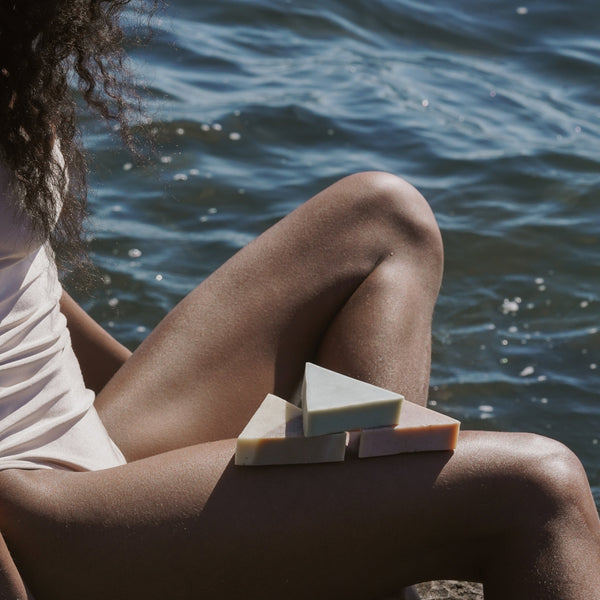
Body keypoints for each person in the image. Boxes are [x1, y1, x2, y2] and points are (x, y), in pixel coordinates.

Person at [0, 2, 599, 599]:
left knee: (384, 217)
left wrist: (169, 395)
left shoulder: (15, 50)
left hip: (82, 440)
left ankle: (354, 551)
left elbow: (30, 289)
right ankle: (366, 546)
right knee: (540, 489)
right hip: (38, 515)